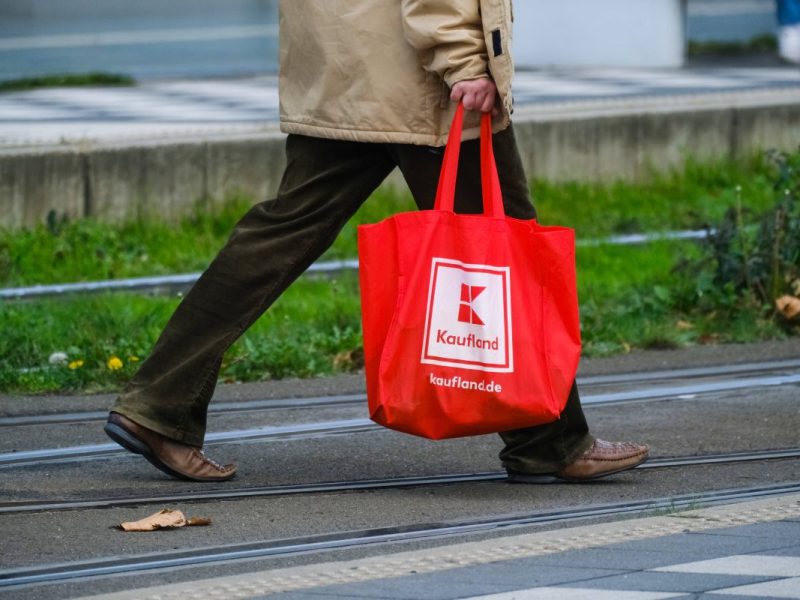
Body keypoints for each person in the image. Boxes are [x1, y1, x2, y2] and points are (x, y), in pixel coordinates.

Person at [104, 0, 649, 483]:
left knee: (279, 234)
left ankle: (157, 405)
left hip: (343, 65)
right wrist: (463, 59)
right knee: (507, 249)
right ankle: (551, 443)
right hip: (421, 79)